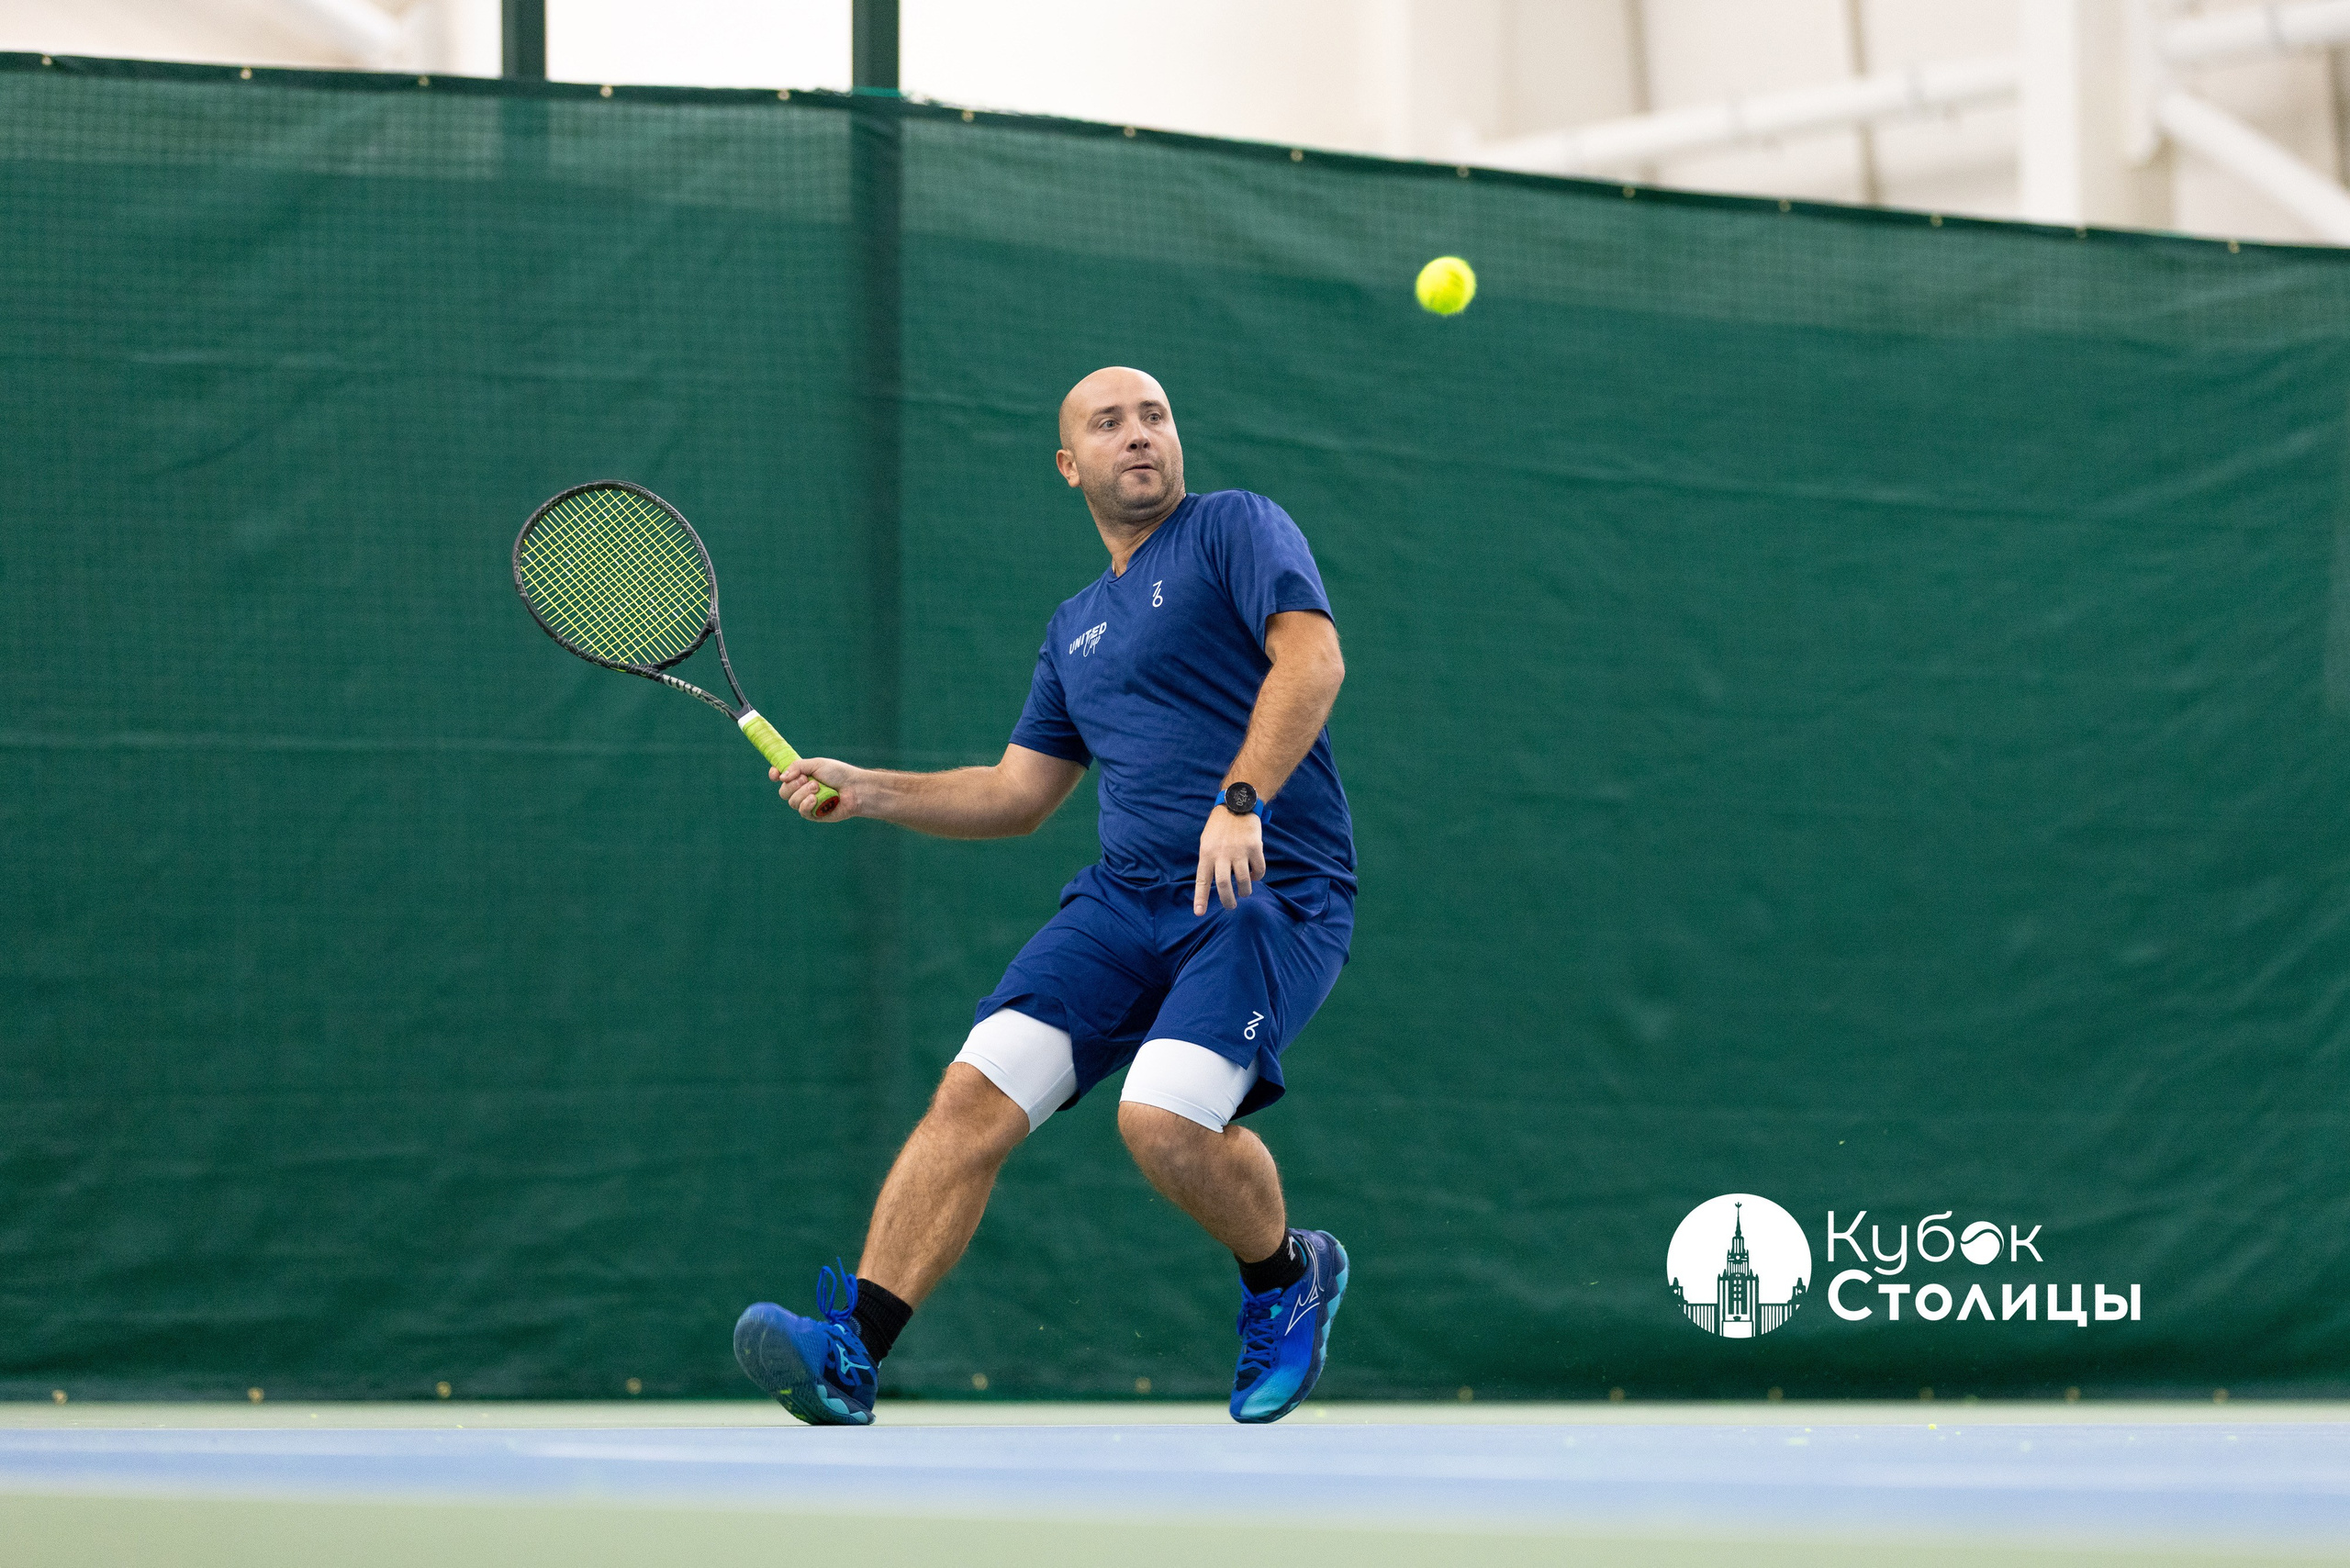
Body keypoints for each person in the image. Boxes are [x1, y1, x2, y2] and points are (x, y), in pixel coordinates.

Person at [733, 366, 1355, 1426]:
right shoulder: (1074, 629)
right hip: (1123, 902)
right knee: (972, 1095)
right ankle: (850, 1352)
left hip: (1263, 887)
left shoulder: (1234, 528)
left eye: (1154, 415)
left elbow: (1314, 659)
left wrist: (1241, 798)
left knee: (1161, 1121)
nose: (1138, 434)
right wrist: (869, 789)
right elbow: (1016, 794)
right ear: (1070, 466)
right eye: (1108, 424)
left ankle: (1286, 1274)